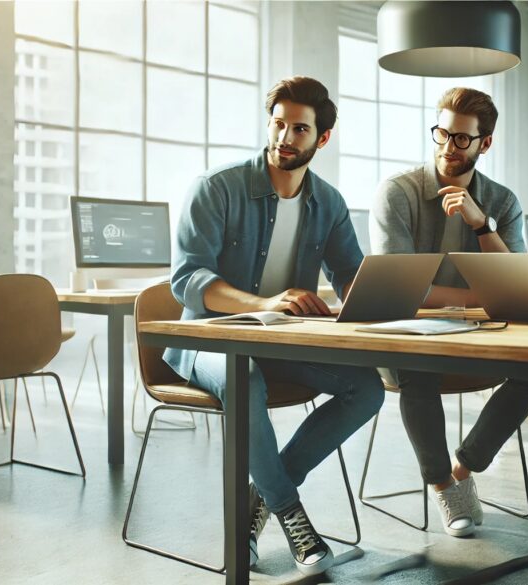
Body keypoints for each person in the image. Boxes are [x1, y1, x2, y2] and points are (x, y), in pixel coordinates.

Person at [166, 76, 384, 575]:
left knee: (366, 388)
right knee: (244, 378)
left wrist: (381, 300)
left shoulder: (327, 202)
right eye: (278, 124)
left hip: (282, 341)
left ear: (321, 139)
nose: (285, 137)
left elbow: (352, 276)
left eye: (299, 129)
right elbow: (188, 279)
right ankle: (289, 512)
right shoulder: (216, 187)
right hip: (209, 339)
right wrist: (264, 300)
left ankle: (256, 502)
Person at [370, 87, 528, 537]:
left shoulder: (502, 203)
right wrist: (479, 301)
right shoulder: (397, 194)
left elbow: (518, 287)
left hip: (478, 342)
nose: (448, 147)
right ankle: (442, 484)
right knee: (418, 366)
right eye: (441, 134)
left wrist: (481, 225)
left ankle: (464, 468)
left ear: (485, 143)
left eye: (461, 139)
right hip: (410, 340)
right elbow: (399, 287)